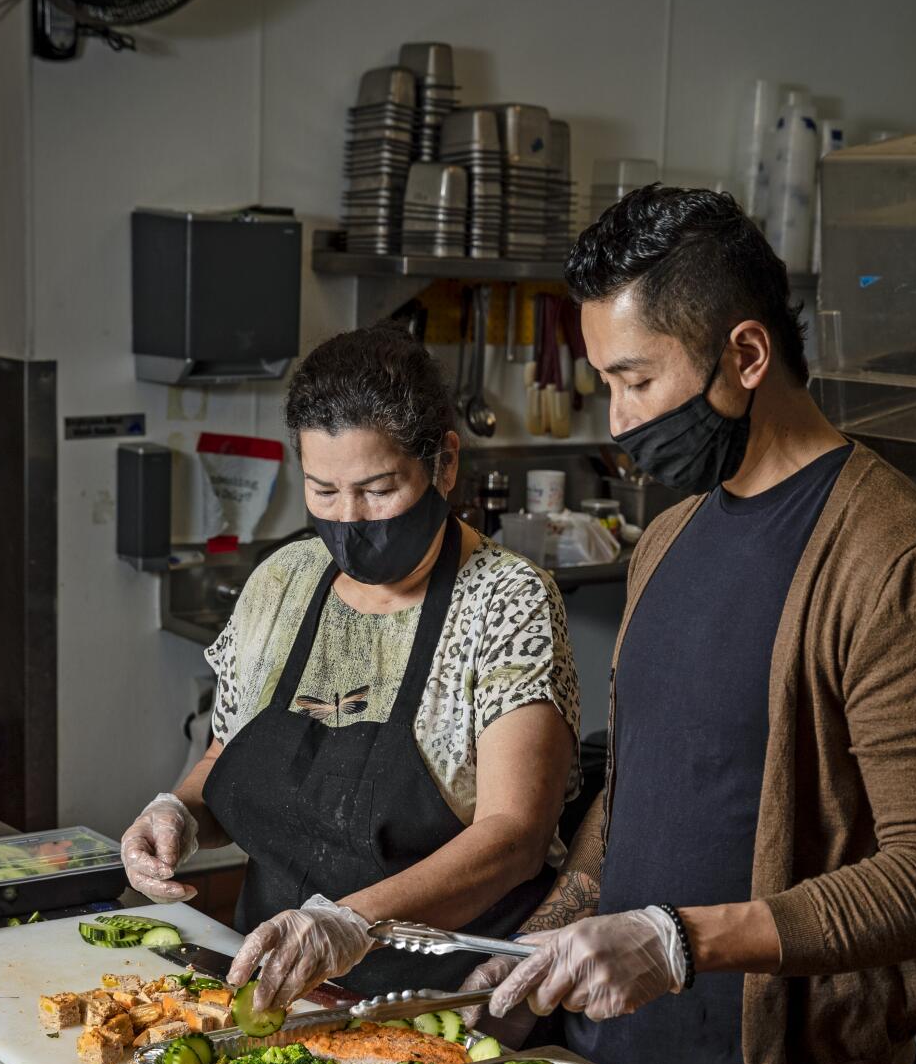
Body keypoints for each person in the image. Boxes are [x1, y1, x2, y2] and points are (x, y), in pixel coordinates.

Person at [466, 187, 916, 1064]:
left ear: (745, 354)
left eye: (635, 379)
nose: (618, 420)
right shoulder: (669, 540)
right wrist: (554, 932)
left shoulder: (896, 562)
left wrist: (681, 939)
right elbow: (644, 785)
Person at [119, 326, 580, 1009]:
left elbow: (516, 836)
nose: (350, 520)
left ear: (443, 465)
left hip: (440, 1003)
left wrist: (351, 923)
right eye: (324, 492)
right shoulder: (283, 582)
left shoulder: (507, 602)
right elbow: (229, 758)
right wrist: (178, 815)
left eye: (378, 488)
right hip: (275, 987)